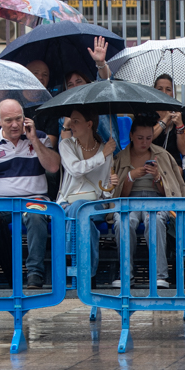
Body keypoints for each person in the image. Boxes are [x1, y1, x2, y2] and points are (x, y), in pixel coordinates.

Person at [0, 99, 62, 289]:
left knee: (37, 217)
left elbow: (53, 166)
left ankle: (35, 273)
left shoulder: (40, 137)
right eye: (9, 120)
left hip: (34, 199)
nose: (14, 124)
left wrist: (34, 139)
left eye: (18, 119)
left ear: (25, 118)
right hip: (2, 203)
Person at [110, 116, 185, 289]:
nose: (144, 142)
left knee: (155, 220)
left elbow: (168, 191)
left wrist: (158, 177)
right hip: (129, 200)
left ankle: (160, 274)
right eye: (140, 138)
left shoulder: (162, 154)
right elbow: (119, 194)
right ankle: (125, 273)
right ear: (131, 136)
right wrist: (131, 177)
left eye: (148, 138)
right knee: (124, 221)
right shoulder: (121, 157)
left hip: (156, 199)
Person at [58, 106, 120, 283]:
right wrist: (103, 155)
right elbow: (76, 169)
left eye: (76, 121)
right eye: (71, 121)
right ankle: (87, 274)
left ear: (89, 124)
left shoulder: (106, 150)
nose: (71, 125)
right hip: (68, 203)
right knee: (84, 221)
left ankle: (71, 260)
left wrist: (111, 185)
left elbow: (107, 195)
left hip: (96, 205)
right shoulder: (66, 145)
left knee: (80, 209)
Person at [150, 73, 185, 161]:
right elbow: (146, 139)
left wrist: (179, 125)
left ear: (173, 93)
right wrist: (164, 121)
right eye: (159, 89)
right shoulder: (147, 112)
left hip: (172, 161)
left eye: (168, 89)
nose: (164, 93)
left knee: (178, 171)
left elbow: (184, 151)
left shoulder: (182, 112)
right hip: (150, 158)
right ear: (154, 91)